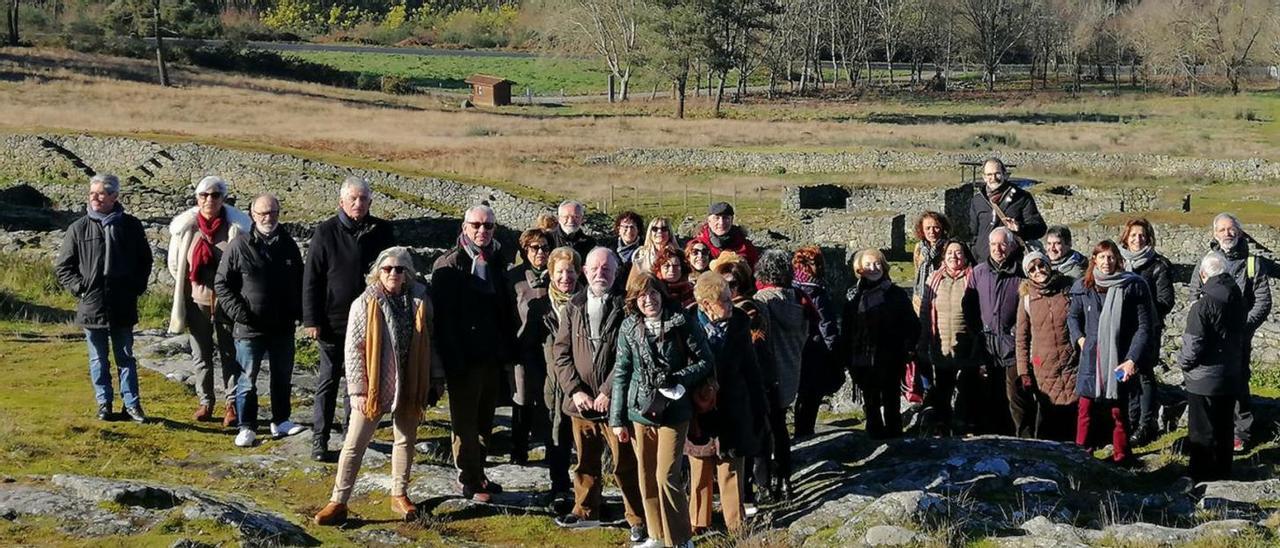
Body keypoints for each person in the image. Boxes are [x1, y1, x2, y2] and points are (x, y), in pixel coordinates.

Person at [313, 247, 441, 526]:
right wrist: (357, 389)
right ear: (377, 272)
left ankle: (400, 494)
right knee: (354, 444)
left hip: (410, 379)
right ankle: (338, 500)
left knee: (405, 440)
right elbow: (354, 348)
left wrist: (434, 378)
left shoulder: (420, 299)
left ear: (408, 273)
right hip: (373, 384)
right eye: (387, 269)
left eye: (400, 269)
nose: (393, 274)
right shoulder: (365, 302)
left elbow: (431, 340)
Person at [550, 248, 647, 543]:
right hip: (580, 404)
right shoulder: (573, 307)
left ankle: (637, 517)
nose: (600, 273)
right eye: (594, 268)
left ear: (616, 272)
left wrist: (608, 391)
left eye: (606, 268)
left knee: (625, 463)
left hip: (615, 404)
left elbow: (627, 356)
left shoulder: (626, 307)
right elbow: (560, 353)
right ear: (585, 272)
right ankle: (585, 509)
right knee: (585, 461)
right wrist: (575, 390)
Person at [610, 273, 713, 548]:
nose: (649, 300)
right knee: (646, 475)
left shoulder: (682, 322)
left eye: (653, 293)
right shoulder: (629, 327)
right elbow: (621, 372)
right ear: (634, 300)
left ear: (662, 294)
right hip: (640, 411)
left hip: (674, 409)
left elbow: (705, 361)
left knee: (666, 475)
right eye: (642, 296)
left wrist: (679, 378)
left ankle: (680, 540)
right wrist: (617, 419)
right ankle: (655, 535)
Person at [303, 176, 395, 462]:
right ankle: (320, 439)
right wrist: (311, 320)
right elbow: (312, 279)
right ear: (341, 201)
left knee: (359, 382)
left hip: (371, 320)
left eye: (364, 199)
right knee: (328, 380)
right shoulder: (325, 232)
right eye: (353, 198)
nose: (359, 203)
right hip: (333, 320)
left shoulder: (382, 231)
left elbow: (392, 271)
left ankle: (350, 436)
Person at [432, 204, 517, 502]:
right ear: (464, 227)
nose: (483, 231)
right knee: (465, 423)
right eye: (476, 225)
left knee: (485, 420)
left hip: (492, 355)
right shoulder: (448, 263)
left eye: (488, 226)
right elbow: (443, 319)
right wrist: (451, 362)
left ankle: (479, 472)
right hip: (463, 358)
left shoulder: (496, 260)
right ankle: (467, 478)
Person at [55, 173, 153, 423]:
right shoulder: (78, 228)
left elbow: (145, 261)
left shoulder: (131, 226)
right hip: (92, 304)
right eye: (92, 193)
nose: (95, 198)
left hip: (123, 303)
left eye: (100, 193)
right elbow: (64, 266)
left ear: (114, 196)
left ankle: (131, 406)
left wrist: (136, 288)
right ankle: (104, 404)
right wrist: (80, 288)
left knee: (125, 357)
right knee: (98, 358)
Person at [214, 194, 306, 447]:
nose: (268, 218)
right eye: (263, 213)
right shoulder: (239, 245)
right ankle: (246, 426)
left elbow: (300, 282)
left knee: (282, 376)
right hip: (249, 327)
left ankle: (281, 421)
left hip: (283, 326)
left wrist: (299, 313)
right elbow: (221, 283)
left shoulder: (289, 245)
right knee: (246, 379)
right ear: (252, 215)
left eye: (273, 212)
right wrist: (239, 314)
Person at [687, 272, 769, 534]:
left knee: (731, 468)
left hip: (734, 407)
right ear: (706, 305)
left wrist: (759, 408)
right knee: (699, 470)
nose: (731, 303)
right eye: (724, 300)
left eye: (729, 296)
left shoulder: (740, 322)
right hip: (699, 410)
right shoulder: (687, 323)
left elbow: (751, 368)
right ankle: (698, 525)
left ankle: (736, 526)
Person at [168, 175, 250, 427]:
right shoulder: (187, 229)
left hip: (227, 302)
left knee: (230, 354)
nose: (209, 200)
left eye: (215, 195)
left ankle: (232, 404)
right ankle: (205, 402)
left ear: (223, 198)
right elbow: (174, 263)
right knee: (200, 354)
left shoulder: (236, 229)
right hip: (196, 301)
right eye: (204, 195)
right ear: (197, 198)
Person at [1189, 213, 1272, 453]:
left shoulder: (1253, 263)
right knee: (1208, 382)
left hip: (1239, 338)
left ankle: (1240, 433)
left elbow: (1263, 302)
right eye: (1222, 229)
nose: (1227, 233)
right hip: (1209, 337)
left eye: (1231, 229)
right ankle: (1213, 431)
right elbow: (1195, 295)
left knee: (1238, 381)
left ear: (1240, 232)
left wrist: (1242, 327)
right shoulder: (1205, 261)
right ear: (1214, 234)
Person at [1068, 240, 1152, 465]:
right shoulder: (1083, 287)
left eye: (1111, 257)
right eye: (1102, 257)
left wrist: (1132, 359)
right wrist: (1080, 338)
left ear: (1118, 260)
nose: (1106, 262)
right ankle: (1081, 456)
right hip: (1091, 359)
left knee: (1118, 411)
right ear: (1094, 259)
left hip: (1119, 358)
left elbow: (1143, 327)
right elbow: (1073, 317)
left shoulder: (1132, 286)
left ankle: (1122, 457)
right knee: (1085, 409)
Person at [711, 251, 775, 514]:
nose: (729, 291)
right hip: (724, 391)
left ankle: (750, 494)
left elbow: (757, 349)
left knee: (748, 443)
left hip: (748, 386)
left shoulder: (749, 311)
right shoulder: (707, 318)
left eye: (733, 285)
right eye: (724, 285)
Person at [1179, 253, 1246, 482]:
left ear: (1203, 274)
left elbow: (1193, 344)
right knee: (1225, 427)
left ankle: (1200, 478)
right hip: (1230, 373)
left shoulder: (1203, 305)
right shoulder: (1237, 298)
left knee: (1201, 431)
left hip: (1203, 379)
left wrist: (1184, 364)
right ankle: (1223, 474)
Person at [840, 248, 919, 439]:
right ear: (859, 269)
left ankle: (895, 438)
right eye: (868, 264)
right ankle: (874, 436)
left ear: (884, 267)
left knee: (892, 399)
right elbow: (847, 329)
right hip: (863, 358)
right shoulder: (853, 297)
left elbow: (912, 324)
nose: (873, 268)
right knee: (870, 399)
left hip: (891, 357)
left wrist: (908, 347)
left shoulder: (896, 294)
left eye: (877, 264)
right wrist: (846, 356)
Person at [752, 249, 808, 500]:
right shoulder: (799, 300)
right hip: (791, 371)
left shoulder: (763, 300)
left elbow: (761, 340)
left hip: (769, 375)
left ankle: (765, 485)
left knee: (765, 431)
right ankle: (785, 480)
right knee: (782, 428)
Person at [1118, 218, 1175, 445]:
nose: (1137, 239)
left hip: (1147, 329)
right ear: (1126, 237)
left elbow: (1166, 300)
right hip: (1123, 329)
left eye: (1141, 235)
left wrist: (1143, 312)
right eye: (1133, 235)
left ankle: (1145, 424)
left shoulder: (1158, 265)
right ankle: (1129, 422)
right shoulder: (1119, 261)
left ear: (1148, 238)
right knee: (1126, 375)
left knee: (1144, 375)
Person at [918, 240, 983, 436]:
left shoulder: (974, 278)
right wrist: (922, 340)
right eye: (950, 253)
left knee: (967, 390)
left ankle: (965, 426)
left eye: (959, 253)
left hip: (966, 345)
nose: (954, 257)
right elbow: (924, 311)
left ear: (965, 256)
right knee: (943, 390)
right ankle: (943, 427)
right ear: (943, 256)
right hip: (942, 346)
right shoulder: (934, 279)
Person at [1014, 251, 1079, 442]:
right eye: (1032, 269)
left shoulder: (1068, 289)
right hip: (1044, 367)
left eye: (1041, 265)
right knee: (1048, 411)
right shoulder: (1026, 299)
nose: (1038, 271)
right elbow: (1022, 337)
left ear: (1048, 265)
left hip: (1071, 361)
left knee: (1075, 408)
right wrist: (1024, 371)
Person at [973, 227, 1031, 436]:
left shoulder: (1020, 273)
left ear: (1011, 246)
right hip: (987, 347)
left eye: (1002, 244)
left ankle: (1023, 440)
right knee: (990, 397)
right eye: (993, 244)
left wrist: (1016, 331)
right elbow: (970, 308)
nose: (998, 249)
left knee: (1016, 398)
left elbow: (1027, 307)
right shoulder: (978, 272)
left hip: (1012, 346)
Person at [507, 228, 557, 470]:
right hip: (522, 348)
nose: (540, 253)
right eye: (534, 248)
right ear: (525, 251)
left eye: (545, 248)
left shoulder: (558, 276)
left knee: (549, 399)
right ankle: (518, 452)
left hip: (551, 348)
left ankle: (552, 449)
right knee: (522, 397)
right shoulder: (513, 278)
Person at [791, 246, 839, 438]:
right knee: (811, 395)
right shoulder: (815, 290)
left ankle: (801, 432)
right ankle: (805, 433)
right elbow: (825, 322)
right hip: (816, 348)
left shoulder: (792, 287)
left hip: (798, 346)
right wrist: (833, 349)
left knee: (802, 394)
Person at [969, 157, 1046, 264]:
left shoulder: (1022, 197)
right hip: (983, 263)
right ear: (984, 177)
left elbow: (1040, 229)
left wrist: (1019, 228)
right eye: (989, 175)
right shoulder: (977, 201)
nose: (993, 178)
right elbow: (974, 232)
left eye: (997, 173)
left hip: (1012, 264)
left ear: (1005, 174)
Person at [694, 202, 760, 267]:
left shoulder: (745, 246)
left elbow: (757, 272)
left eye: (725, 218)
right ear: (709, 221)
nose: (721, 222)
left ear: (732, 220)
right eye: (716, 218)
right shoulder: (697, 245)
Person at [912, 212, 951, 313]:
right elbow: (917, 272)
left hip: (942, 298)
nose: (932, 232)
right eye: (927, 228)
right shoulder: (919, 248)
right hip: (920, 298)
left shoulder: (948, 247)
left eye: (936, 227)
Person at [613, 210, 644, 280]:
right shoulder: (610, 249)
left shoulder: (645, 248)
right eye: (625, 227)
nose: (629, 231)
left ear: (638, 230)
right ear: (619, 229)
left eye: (632, 227)